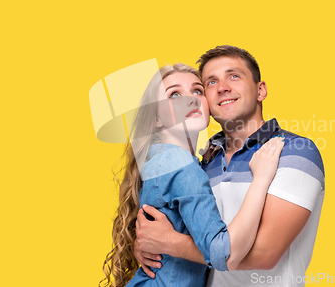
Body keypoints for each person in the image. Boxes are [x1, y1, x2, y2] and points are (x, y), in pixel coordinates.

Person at [135, 46, 325, 287]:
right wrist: (146, 245)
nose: (223, 87)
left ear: (260, 90)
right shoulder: (204, 160)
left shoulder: (293, 151)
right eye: (211, 82)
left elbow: (265, 255)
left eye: (234, 76)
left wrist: (168, 243)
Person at [99, 63, 285, 287]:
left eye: (197, 91)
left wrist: (165, 243)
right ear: (156, 117)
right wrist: (261, 179)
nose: (191, 99)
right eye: (174, 94)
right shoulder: (180, 164)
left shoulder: (162, 161)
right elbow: (224, 253)